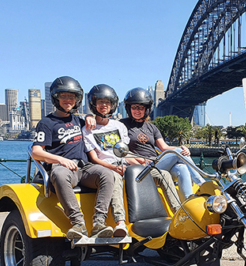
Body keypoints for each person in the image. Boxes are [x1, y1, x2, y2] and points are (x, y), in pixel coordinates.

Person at [32, 76, 115, 240]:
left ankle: (99, 223)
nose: (68, 100)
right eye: (64, 96)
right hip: (63, 168)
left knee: (107, 174)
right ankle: (78, 223)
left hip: (84, 168)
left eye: (72, 97)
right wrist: (59, 160)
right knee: (60, 175)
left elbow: (100, 124)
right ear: (56, 98)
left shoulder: (80, 120)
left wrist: (91, 116)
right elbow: (36, 152)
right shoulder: (47, 122)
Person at [120, 87, 205, 205]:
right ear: (129, 108)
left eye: (141, 107)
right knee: (178, 153)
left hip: (157, 163)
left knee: (182, 168)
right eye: (134, 107)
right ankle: (202, 183)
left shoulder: (152, 127)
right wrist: (139, 163)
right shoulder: (122, 125)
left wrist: (182, 148)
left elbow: (164, 148)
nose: (137, 111)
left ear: (147, 109)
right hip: (141, 167)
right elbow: (122, 152)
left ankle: (188, 204)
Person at [82, 84, 129, 237]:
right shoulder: (87, 129)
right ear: (93, 105)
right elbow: (94, 158)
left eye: (107, 102)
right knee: (114, 176)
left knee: (152, 173)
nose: (104, 106)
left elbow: (125, 153)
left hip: (123, 164)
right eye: (100, 102)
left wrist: (142, 162)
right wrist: (113, 167)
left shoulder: (119, 126)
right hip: (106, 167)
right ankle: (120, 222)